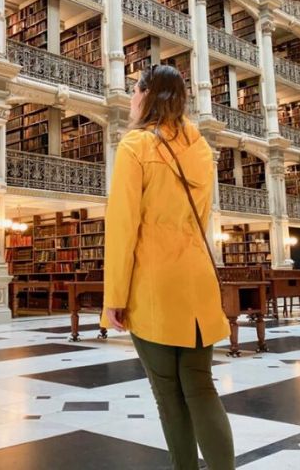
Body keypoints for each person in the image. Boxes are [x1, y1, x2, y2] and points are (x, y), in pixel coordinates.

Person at [102, 64, 235, 470]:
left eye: (134, 90)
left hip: (155, 286)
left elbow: (124, 228)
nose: (131, 98)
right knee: (200, 389)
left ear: (147, 94)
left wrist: (114, 299)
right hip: (197, 282)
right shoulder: (200, 149)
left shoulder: (135, 146)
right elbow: (204, 215)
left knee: (167, 395)